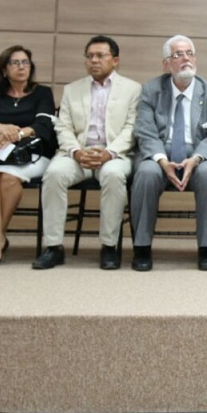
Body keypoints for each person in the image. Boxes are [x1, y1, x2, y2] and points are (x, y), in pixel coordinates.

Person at [32, 36, 141, 271]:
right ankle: (53, 247)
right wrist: (76, 152)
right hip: (77, 153)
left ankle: (109, 247)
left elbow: (132, 128)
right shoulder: (72, 89)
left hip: (114, 154)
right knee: (53, 174)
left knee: (113, 176)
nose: (94, 60)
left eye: (100, 56)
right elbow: (63, 126)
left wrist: (109, 152)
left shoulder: (133, 89)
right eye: (89, 56)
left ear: (115, 60)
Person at [130, 35, 207, 272]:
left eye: (189, 53)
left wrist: (195, 159)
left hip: (199, 155)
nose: (186, 58)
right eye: (178, 55)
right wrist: (162, 161)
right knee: (146, 173)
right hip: (160, 154)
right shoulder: (151, 90)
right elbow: (145, 131)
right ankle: (141, 247)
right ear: (166, 64)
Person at [0, 46, 56, 266]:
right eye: (15, 63)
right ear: (4, 69)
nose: (21, 67)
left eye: (25, 62)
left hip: (33, 153)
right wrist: (2, 127)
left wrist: (17, 134)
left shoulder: (42, 93)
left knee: (9, 178)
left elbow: (43, 124)